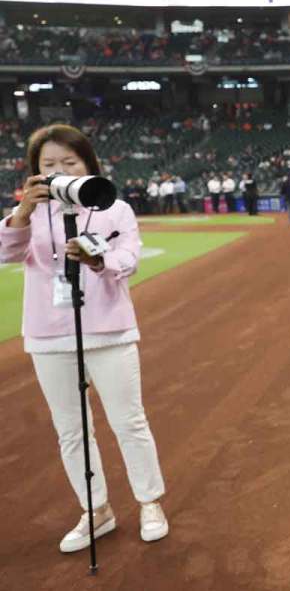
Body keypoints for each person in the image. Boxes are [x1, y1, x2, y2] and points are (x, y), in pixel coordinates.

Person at [0, 125, 169, 553]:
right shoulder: (30, 212)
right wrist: (20, 214)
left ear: (88, 164)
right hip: (48, 334)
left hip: (108, 329)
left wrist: (98, 258)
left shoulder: (116, 209)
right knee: (71, 431)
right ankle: (96, 510)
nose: (60, 172)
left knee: (129, 421)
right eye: (49, 165)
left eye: (69, 163)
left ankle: (150, 502)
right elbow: (6, 254)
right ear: (34, 172)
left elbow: (128, 259)